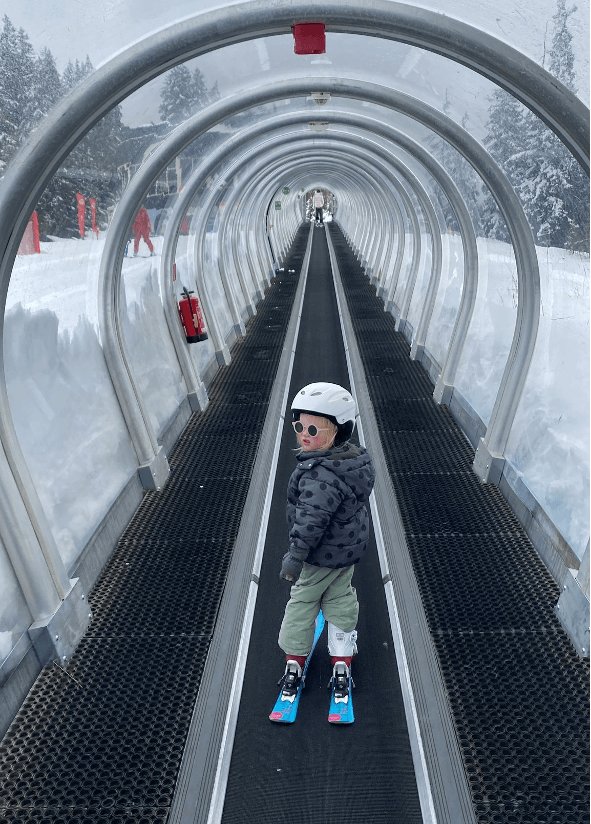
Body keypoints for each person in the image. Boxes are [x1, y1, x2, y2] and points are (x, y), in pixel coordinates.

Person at [277, 382, 375, 703]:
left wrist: (295, 555)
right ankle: (342, 661)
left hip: (319, 554)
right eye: (299, 426)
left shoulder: (320, 476)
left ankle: (295, 661)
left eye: (313, 429)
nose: (304, 434)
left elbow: (311, 520)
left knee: (304, 601)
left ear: (338, 432)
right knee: (340, 597)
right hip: (347, 551)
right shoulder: (352, 462)